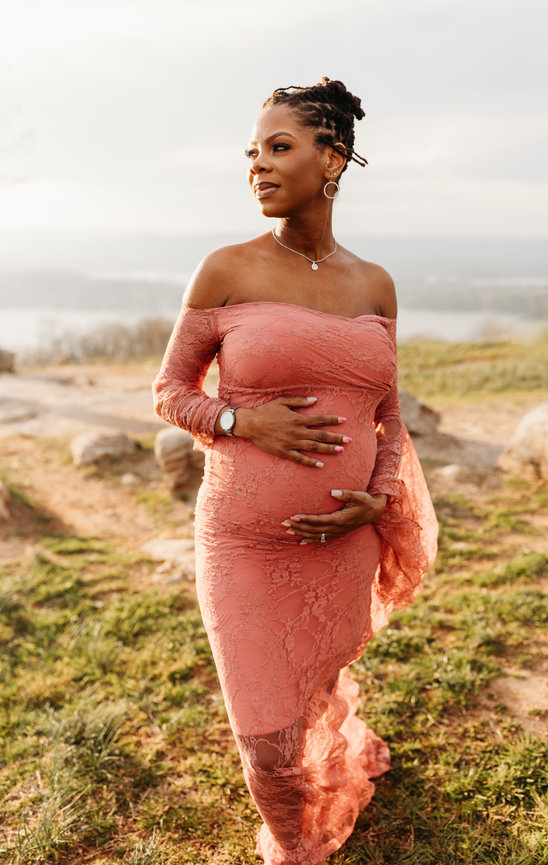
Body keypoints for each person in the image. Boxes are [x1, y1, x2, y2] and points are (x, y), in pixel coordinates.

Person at [153, 77, 438, 865]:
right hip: (243, 542)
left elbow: (384, 413)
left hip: (339, 540)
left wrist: (375, 500)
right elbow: (170, 392)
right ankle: (295, 848)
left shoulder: (373, 283)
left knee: (311, 687)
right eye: (252, 152)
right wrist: (242, 418)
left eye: (278, 147)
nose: (257, 165)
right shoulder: (223, 270)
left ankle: (331, 756)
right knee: (267, 740)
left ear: (333, 158)